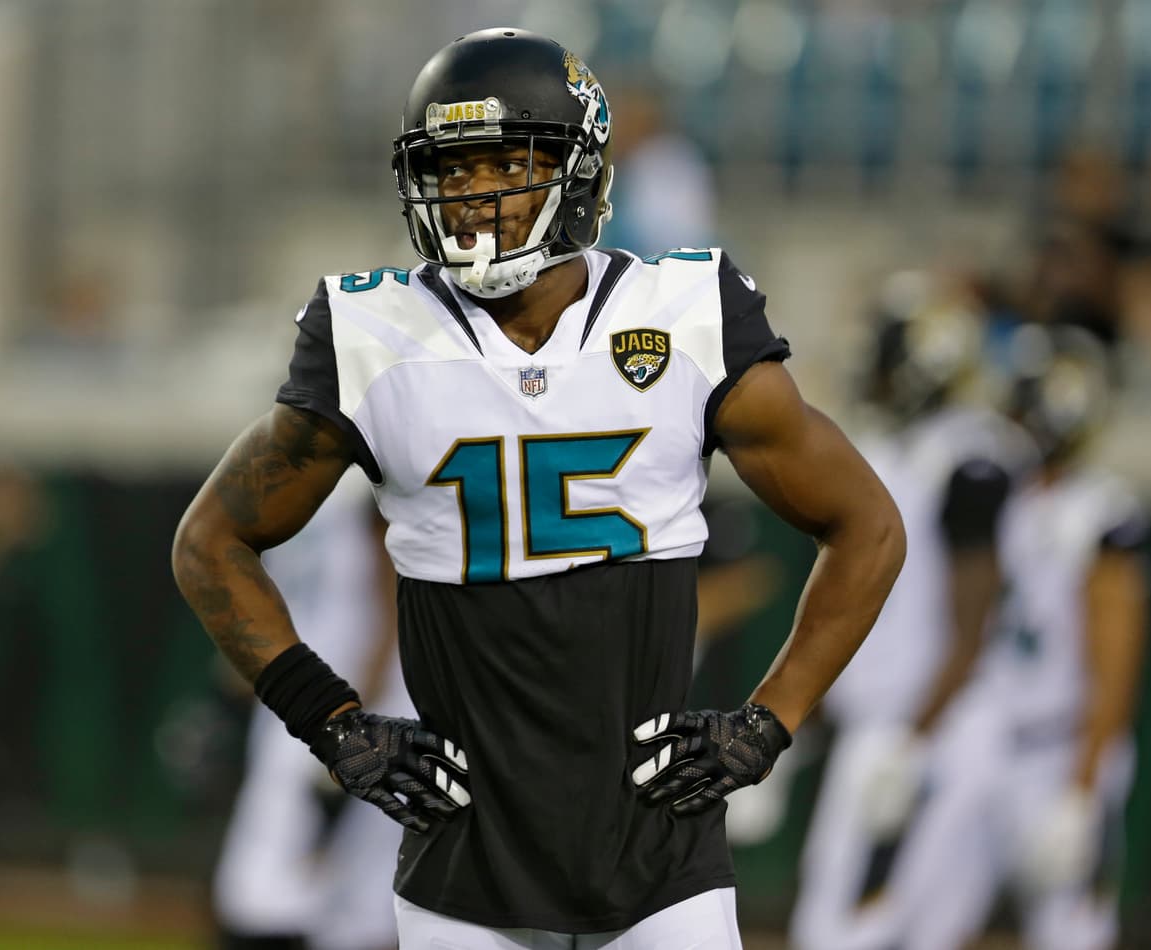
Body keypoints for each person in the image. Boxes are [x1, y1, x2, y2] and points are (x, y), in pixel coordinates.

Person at [172, 28, 904, 948]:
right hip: (464, 864)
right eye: (449, 169)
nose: (470, 194)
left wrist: (771, 720)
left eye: (498, 164)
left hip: (659, 855)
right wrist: (333, 722)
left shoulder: (686, 317)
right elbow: (210, 543)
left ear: (579, 170)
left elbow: (867, 524)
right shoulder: (376, 336)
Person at [884, 324, 1150, 950]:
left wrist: (1082, 792)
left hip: (1062, 743)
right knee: (927, 916)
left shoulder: (1104, 513)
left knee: (1071, 931)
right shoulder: (1000, 495)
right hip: (987, 734)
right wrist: (920, 740)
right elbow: (970, 629)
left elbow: (1115, 666)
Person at [790, 272, 1035, 950]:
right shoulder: (901, 447)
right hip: (896, 723)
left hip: (938, 724)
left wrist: (913, 740)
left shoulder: (967, 459)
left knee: (864, 926)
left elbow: (971, 628)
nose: (873, 367)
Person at [213, 470, 409, 950]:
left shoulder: (349, 485)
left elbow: (390, 599)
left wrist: (362, 708)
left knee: (347, 896)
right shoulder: (286, 487)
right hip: (303, 696)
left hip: (348, 700)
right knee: (271, 884)